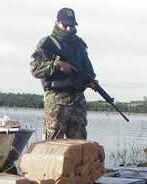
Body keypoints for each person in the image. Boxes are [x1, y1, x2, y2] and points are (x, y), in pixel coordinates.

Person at [30, 7, 98, 140]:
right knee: (53, 144)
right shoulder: (47, 43)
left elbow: (87, 71)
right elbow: (35, 69)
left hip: (77, 101)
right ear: (58, 22)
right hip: (57, 101)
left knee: (79, 143)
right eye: (65, 25)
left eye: (72, 26)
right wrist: (57, 65)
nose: (69, 29)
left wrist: (90, 81)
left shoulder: (79, 45)